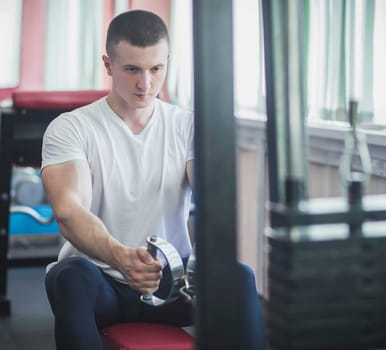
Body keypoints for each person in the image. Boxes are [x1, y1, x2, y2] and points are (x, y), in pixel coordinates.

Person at [42, 9, 265, 350]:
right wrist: (121, 257)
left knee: (238, 277)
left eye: (155, 69)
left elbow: (214, 197)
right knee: (71, 277)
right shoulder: (72, 128)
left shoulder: (187, 125)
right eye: (132, 69)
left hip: (171, 285)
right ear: (108, 65)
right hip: (103, 287)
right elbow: (69, 212)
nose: (145, 84)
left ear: (167, 62)